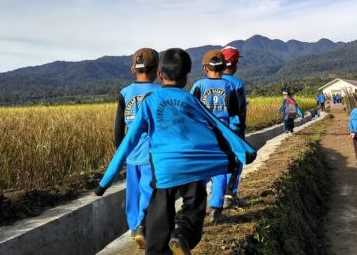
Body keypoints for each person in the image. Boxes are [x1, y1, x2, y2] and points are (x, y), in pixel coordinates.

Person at [95, 48, 256, 255]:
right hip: (192, 167)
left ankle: (155, 246)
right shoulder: (191, 100)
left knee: (158, 213)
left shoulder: (149, 101)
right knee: (194, 206)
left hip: (163, 170)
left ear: (160, 75)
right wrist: (245, 150)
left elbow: (127, 141)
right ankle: (182, 235)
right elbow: (218, 125)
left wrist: (104, 183)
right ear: (187, 76)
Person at [114, 48, 161, 249]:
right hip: (153, 153)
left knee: (132, 192)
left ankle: (134, 227)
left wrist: (120, 152)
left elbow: (118, 128)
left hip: (131, 153)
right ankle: (143, 224)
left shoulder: (125, 93)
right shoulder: (160, 92)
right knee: (149, 190)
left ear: (133, 69)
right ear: (158, 70)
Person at [190, 50, 239, 222]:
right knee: (220, 171)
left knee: (201, 171)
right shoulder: (229, 86)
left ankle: (198, 206)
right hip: (223, 135)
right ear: (224, 66)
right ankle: (216, 207)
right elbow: (234, 113)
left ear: (204, 67)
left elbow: (190, 111)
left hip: (202, 135)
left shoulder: (198, 85)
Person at [220, 45, 246, 209]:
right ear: (235, 64)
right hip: (234, 131)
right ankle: (230, 194)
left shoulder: (210, 82)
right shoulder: (237, 84)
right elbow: (241, 112)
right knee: (236, 162)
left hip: (214, 132)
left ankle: (218, 195)